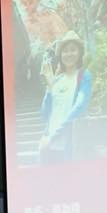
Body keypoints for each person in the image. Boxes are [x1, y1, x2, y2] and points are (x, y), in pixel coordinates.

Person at [38, 30, 93, 164]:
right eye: (65, 51)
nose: (69, 54)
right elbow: (45, 114)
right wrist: (49, 87)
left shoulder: (83, 76)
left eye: (73, 49)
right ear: (60, 54)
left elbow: (80, 107)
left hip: (70, 145)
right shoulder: (57, 80)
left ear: (79, 53)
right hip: (49, 146)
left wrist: (54, 135)